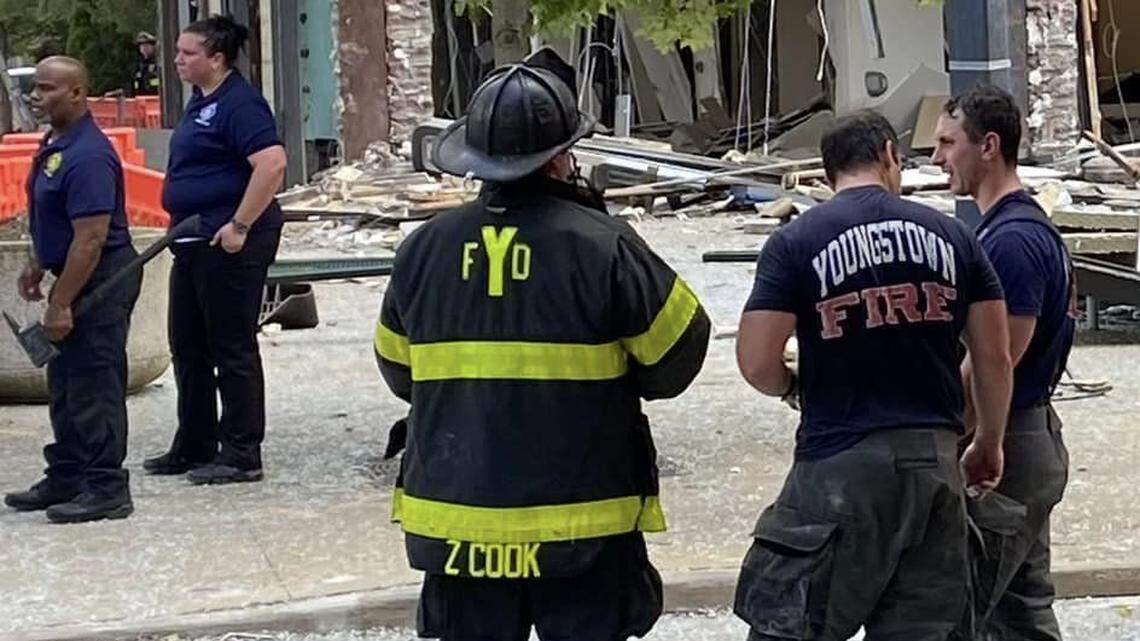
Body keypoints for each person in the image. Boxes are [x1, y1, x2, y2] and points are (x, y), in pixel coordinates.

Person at [373, 48, 711, 641]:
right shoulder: (605, 245)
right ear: (562, 159)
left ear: (474, 160)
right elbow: (675, 360)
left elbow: (400, 372)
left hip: (458, 532)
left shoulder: (422, 249)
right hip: (583, 530)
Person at [733, 111, 1014, 641]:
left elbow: (755, 361)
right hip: (933, 463)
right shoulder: (955, 238)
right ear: (889, 155)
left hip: (838, 464)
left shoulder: (795, 243)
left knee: (797, 625)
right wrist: (988, 442)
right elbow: (994, 357)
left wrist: (793, 387)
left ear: (826, 171)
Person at [933, 85, 1075, 641]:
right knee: (1020, 612)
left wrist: (954, 437)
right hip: (1025, 439)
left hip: (1011, 446)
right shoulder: (1010, 229)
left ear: (988, 145)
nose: (939, 158)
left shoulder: (1012, 243)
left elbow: (995, 363)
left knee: (964, 611)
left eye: (948, 143)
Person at [143, 15, 287, 485]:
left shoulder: (240, 104)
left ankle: (242, 451)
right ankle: (195, 442)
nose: (178, 60)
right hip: (190, 238)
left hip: (229, 240)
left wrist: (239, 224)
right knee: (188, 343)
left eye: (188, 53)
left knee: (231, 345)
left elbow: (271, 164)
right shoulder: (199, 101)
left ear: (217, 59)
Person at [3, 57, 140, 523]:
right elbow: (56, 216)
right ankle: (67, 473)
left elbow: (91, 238)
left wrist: (61, 303)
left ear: (78, 93)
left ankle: (105, 486)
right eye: (35, 89)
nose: (36, 97)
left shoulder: (88, 154)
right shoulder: (56, 143)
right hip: (69, 270)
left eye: (47, 89)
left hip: (99, 277)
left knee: (94, 382)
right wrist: (38, 263)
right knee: (64, 384)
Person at [133, 31, 160, 96]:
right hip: (142, 101)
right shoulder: (139, 65)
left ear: (153, 47)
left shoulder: (158, 62)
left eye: (147, 45)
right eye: (141, 46)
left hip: (156, 98)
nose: (144, 48)